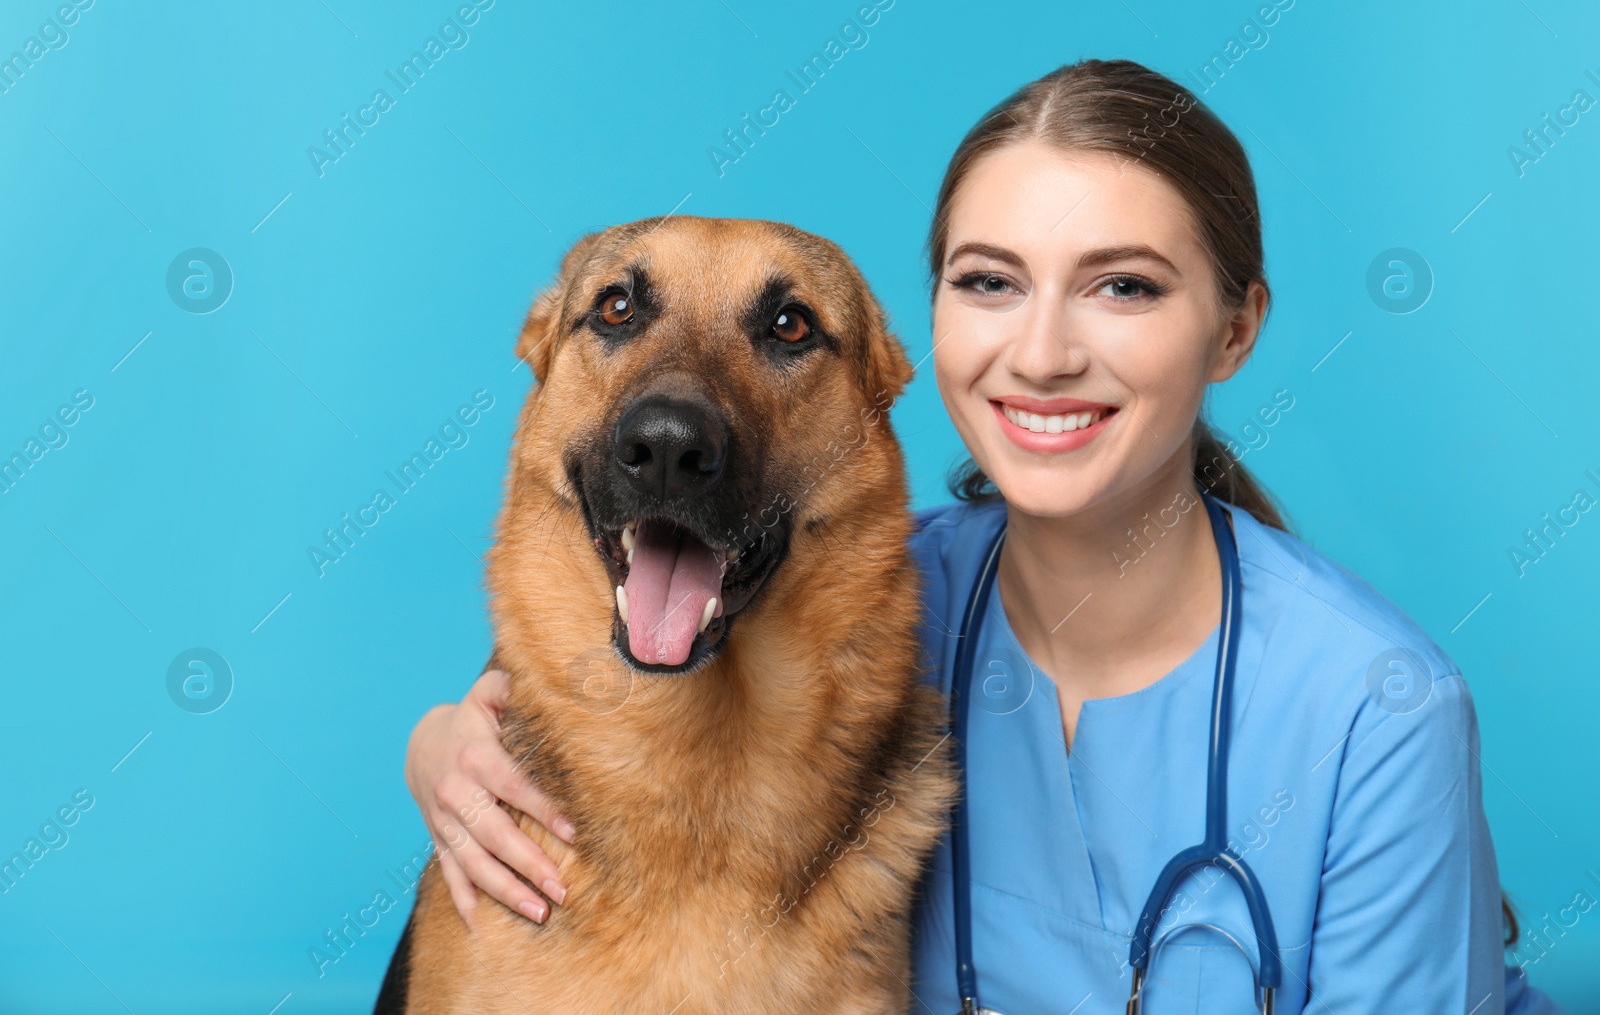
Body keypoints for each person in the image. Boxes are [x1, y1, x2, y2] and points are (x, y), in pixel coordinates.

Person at [404, 60, 1561, 1012]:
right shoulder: (862, 594)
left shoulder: (1378, 708)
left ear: (1235, 328)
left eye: (1123, 288)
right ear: (930, 334)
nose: (1044, 351)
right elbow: (597, 657)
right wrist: (448, 740)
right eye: (991, 280)